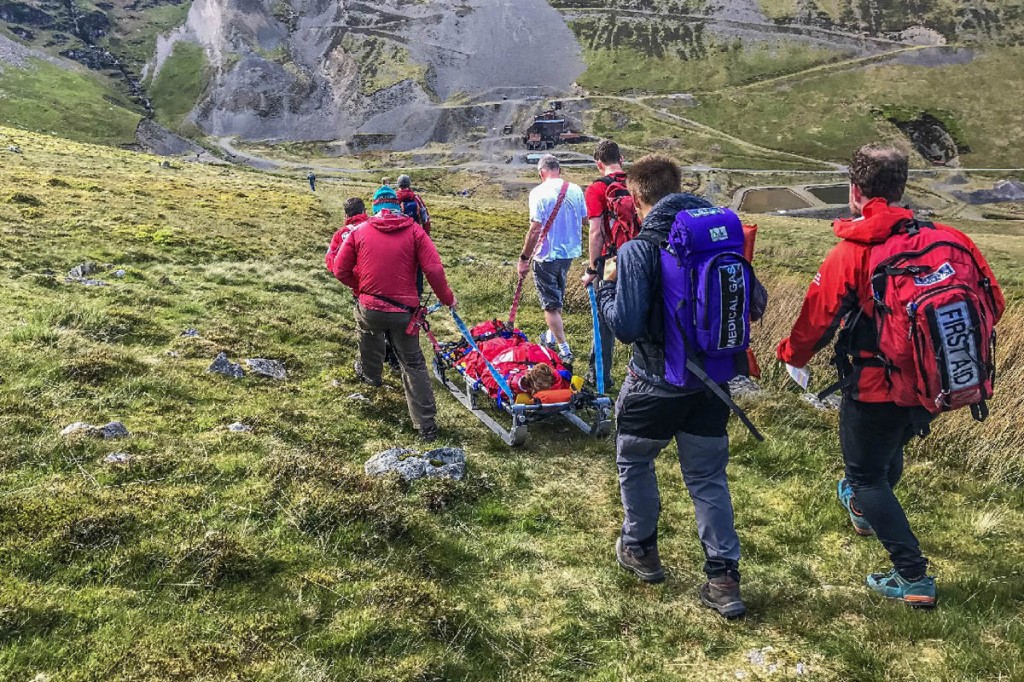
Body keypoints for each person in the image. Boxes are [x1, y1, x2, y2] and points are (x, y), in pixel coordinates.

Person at [777, 144, 1005, 608]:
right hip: (935, 383)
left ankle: (913, 576)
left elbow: (815, 321)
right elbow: (993, 305)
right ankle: (865, 513)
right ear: (901, 188)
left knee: (865, 476)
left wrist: (790, 355)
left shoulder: (852, 253)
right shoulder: (954, 240)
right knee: (883, 457)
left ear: (854, 192)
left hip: (876, 385)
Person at [597, 154, 756, 619]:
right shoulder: (718, 239)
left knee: (635, 460)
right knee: (707, 478)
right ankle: (723, 580)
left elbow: (624, 327)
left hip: (653, 384)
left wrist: (607, 286)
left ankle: (641, 549)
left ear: (640, 199)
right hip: (713, 386)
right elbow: (756, 303)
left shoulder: (638, 250)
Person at [334, 185, 458, 442]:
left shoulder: (359, 231)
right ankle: (426, 426)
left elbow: (340, 269)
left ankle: (371, 376)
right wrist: (448, 299)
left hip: (370, 306)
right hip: (405, 312)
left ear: (375, 207)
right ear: (397, 206)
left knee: (368, 331)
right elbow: (434, 269)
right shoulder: (415, 231)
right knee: (412, 362)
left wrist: (361, 288)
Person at [517, 154, 587, 364]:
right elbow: (585, 219)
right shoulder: (575, 189)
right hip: (569, 253)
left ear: (541, 173)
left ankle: (564, 350)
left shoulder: (538, 192)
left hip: (546, 254)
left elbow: (535, 229)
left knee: (549, 304)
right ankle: (549, 337)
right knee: (557, 296)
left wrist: (524, 258)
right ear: (559, 170)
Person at [582, 139, 640, 389]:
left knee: (604, 317)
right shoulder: (636, 182)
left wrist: (592, 269)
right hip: (640, 256)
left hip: (611, 261)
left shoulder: (596, 189)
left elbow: (596, 232)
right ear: (622, 159)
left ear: (598, 164)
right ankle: (642, 371)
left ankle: (600, 376)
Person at [325, 197, 369, 274]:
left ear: (346, 215)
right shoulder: (374, 227)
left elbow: (331, 257)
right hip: (374, 275)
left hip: (352, 276)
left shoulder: (340, 234)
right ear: (364, 211)